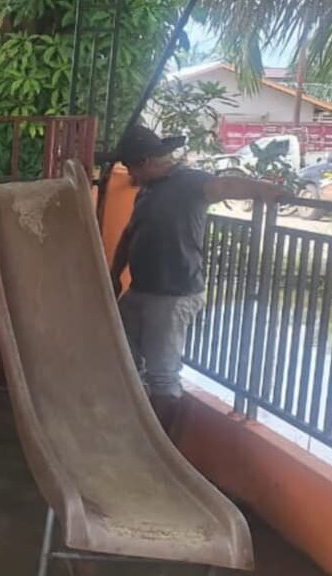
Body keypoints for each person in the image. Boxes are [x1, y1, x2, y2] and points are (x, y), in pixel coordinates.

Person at [105, 125, 289, 426]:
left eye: (131, 166)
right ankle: (135, 428)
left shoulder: (190, 182)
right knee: (125, 359)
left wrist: (264, 189)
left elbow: (226, 186)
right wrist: (115, 274)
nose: (130, 174)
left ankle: (162, 446)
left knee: (163, 374)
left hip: (174, 294)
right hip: (140, 290)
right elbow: (130, 234)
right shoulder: (148, 190)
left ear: (148, 161)